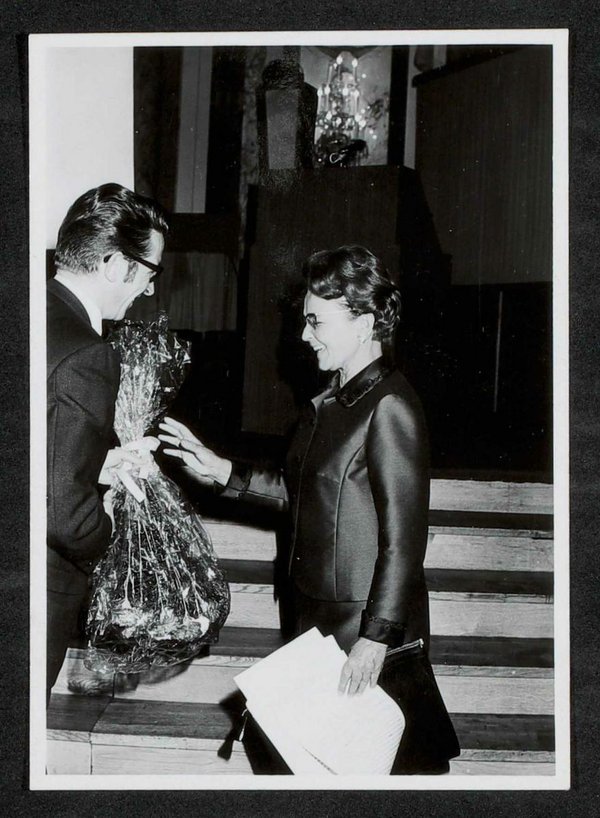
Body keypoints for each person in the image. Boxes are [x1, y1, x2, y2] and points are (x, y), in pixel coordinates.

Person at [159, 245, 438, 771]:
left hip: (361, 626)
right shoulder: (331, 402)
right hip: (317, 617)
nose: (305, 335)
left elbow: (404, 542)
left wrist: (375, 638)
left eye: (316, 321)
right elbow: (305, 494)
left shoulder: (389, 406)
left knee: (362, 769)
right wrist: (223, 471)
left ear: (364, 322)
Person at [46, 183, 168, 706]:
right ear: (115, 264)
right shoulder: (88, 354)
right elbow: (66, 516)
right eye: (149, 272)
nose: (149, 291)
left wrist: (92, 463)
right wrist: (112, 540)